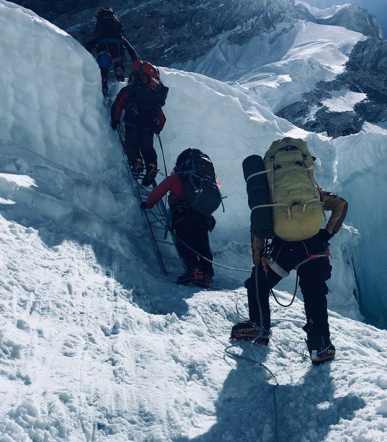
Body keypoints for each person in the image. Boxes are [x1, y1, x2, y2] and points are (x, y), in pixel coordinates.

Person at [231, 137, 348, 365]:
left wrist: (258, 258)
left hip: (285, 248)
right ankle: (320, 345)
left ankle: (260, 327)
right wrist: (327, 233)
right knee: (314, 294)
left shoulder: (272, 194)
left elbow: (259, 222)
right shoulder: (313, 193)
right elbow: (341, 204)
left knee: (257, 283)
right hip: (314, 247)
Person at [141, 148, 221, 287]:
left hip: (182, 214)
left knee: (186, 242)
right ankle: (207, 274)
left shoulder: (178, 177)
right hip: (201, 216)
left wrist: (148, 204)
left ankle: (194, 271)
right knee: (202, 245)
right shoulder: (203, 179)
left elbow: (158, 191)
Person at [111, 60, 168, 186]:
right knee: (147, 147)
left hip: (133, 120)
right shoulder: (153, 95)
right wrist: (157, 128)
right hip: (148, 124)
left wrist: (115, 120)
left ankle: (136, 162)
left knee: (131, 142)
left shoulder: (129, 90)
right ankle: (151, 166)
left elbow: (118, 105)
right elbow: (162, 118)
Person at [85, 7, 138, 96]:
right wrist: (136, 60)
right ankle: (121, 86)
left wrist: (86, 57)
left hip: (103, 48)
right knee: (118, 67)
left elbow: (90, 45)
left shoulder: (101, 34)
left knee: (104, 67)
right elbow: (129, 48)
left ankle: (104, 85)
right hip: (117, 50)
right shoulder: (118, 35)